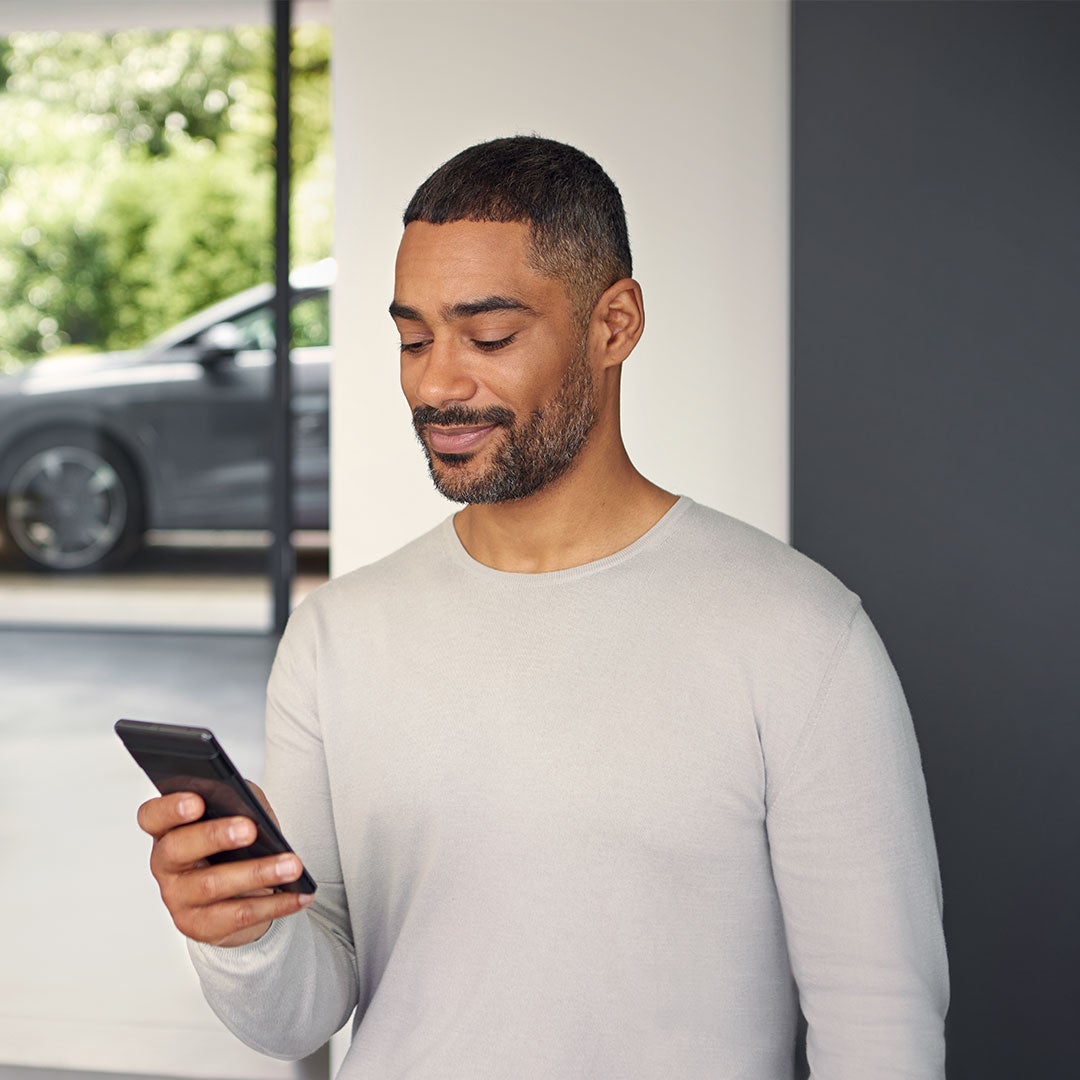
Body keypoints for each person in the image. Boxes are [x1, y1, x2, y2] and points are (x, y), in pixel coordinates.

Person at [137, 136, 949, 1077]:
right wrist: (241, 937)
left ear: (615, 325)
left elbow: (880, 1033)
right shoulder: (337, 636)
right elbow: (301, 1018)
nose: (437, 382)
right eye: (412, 338)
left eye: (489, 337)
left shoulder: (800, 637)